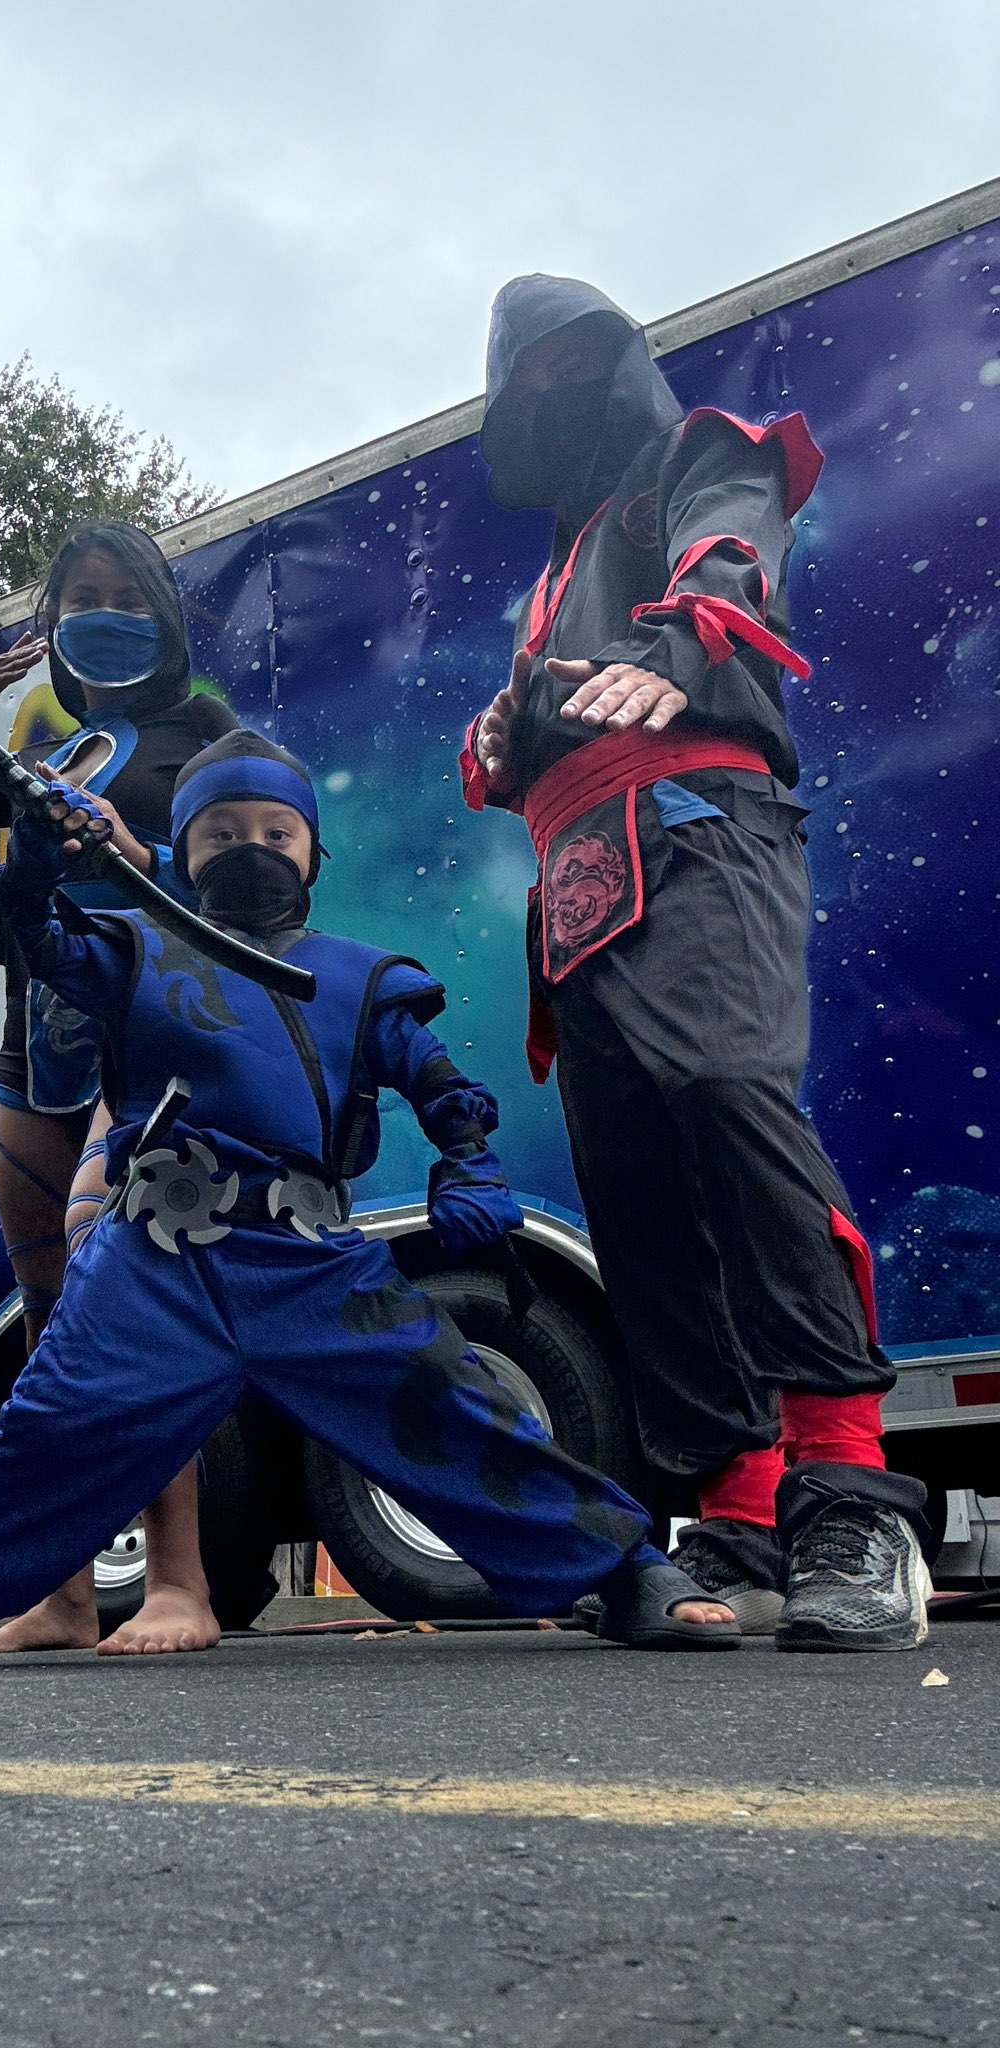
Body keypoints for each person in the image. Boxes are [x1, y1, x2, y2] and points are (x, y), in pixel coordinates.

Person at [0, 730, 739, 1673]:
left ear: (313, 853)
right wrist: (27, 863)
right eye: (218, 834)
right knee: (52, 1424)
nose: (249, 848)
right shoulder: (134, 946)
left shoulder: (363, 974)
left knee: (452, 1401)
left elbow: (435, 1083)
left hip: (311, 1257)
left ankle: (625, 1567)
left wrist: (469, 1165)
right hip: (153, 1258)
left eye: (275, 830)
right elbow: (31, 938)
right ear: (180, 852)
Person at [462, 275, 932, 1651]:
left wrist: (687, 632)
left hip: (694, 824)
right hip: (574, 878)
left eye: (571, 364)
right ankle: (736, 1504)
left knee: (732, 1096)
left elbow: (732, 542)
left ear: (617, 364)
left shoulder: (693, 452)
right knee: (639, 1187)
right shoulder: (551, 573)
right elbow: (543, 716)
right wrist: (502, 737)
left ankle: (849, 1492)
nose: (549, 394)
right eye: (521, 379)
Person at [0, 522, 237, 1656]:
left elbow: (257, 872)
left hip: (149, 1037)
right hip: (38, 1048)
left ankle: (181, 1581)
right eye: (83, 597)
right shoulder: (43, 763)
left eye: (127, 593)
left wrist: (143, 855)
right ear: (50, 620)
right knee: (50, 1318)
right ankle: (63, 1594)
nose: (105, 612)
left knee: (136, 1298)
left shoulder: (205, 731)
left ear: (163, 611)